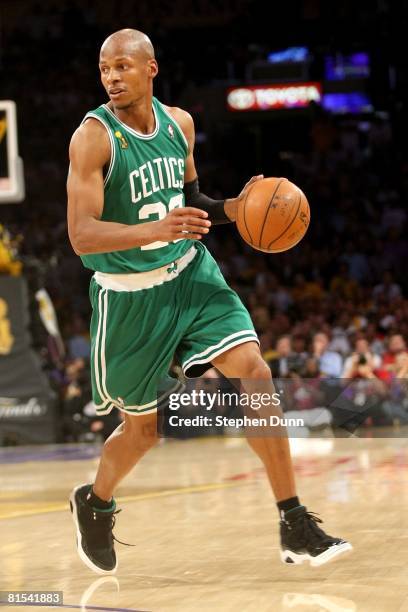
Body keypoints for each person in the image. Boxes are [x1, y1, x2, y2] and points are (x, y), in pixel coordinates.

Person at [66, 28, 351, 574]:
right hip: (129, 298)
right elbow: (81, 235)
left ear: (150, 68)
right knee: (143, 432)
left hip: (189, 274)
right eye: (105, 69)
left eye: (122, 66)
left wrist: (237, 208)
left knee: (253, 370)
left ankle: (294, 521)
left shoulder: (180, 124)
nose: (112, 77)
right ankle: (95, 502)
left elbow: (191, 202)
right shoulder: (94, 139)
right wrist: (155, 229)